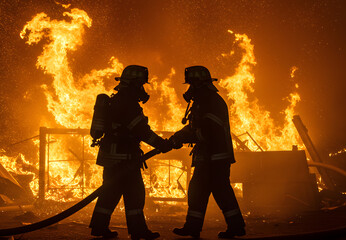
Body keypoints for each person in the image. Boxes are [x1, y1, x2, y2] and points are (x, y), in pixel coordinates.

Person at [89, 65, 172, 240]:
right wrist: (161, 144)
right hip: (124, 159)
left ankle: (99, 227)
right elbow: (141, 130)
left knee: (109, 194)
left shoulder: (118, 99)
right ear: (134, 85)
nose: (142, 89)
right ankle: (138, 231)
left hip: (112, 158)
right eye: (141, 85)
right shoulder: (128, 103)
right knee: (135, 195)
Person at [170, 66, 245, 238]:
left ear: (199, 84)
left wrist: (184, 139)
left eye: (191, 84)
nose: (188, 89)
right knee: (201, 191)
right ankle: (194, 227)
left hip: (215, 158)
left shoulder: (211, 102)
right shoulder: (202, 102)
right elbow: (193, 127)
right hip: (208, 158)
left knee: (219, 192)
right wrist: (176, 137)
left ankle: (235, 227)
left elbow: (209, 131)